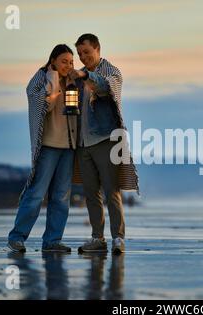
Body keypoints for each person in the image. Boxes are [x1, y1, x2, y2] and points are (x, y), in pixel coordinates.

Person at [69, 33, 139, 254]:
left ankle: (118, 238)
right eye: (80, 54)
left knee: (112, 190)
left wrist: (85, 75)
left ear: (98, 49)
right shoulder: (78, 77)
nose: (83, 57)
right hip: (83, 142)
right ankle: (97, 238)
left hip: (107, 139)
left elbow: (106, 88)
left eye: (87, 52)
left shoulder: (111, 71)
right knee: (91, 193)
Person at [7, 44, 78, 253]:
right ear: (53, 61)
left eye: (71, 62)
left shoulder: (73, 82)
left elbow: (73, 113)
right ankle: (17, 237)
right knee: (36, 194)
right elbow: (45, 105)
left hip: (68, 147)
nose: (68, 65)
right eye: (64, 61)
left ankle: (53, 241)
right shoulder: (40, 78)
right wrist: (53, 78)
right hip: (47, 146)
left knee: (61, 197)